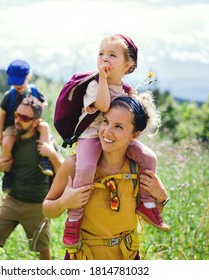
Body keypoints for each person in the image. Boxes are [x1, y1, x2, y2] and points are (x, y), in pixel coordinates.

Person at [60, 34, 169, 249]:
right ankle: (74, 219)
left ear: (128, 65)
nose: (104, 59)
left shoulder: (126, 90)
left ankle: (146, 203)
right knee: (87, 167)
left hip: (115, 140)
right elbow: (102, 105)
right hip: (91, 137)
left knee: (148, 157)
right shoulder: (94, 84)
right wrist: (101, 78)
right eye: (101, 54)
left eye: (112, 55)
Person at [43, 96, 170, 260]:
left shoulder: (138, 169)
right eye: (105, 121)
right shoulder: (75, 165)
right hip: (83, 258)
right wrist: (64, 202)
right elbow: (47, 209)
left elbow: (149, 214)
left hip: (127, 257)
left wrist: (162, 198)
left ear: (134, 135)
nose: (107, 131)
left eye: (118, 126)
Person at [0, 96, 64, 260]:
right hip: (12, 200)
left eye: (24, 118)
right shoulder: (11, 139)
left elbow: (63, 170)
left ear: (35, 122)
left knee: (43, 250)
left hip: (38, 205)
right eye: (17, 115)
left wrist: (51, 154)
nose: (18, 121)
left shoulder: (45, 141)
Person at [0, 59, 54, 191]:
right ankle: (8, 172)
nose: (17, 85)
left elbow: (43, 103)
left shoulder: (33, 91)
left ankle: (45, 160)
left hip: (31, 121)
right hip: (14, 124)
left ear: (27, 77)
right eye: (14, 82)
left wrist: (36, 109)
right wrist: (0, 132)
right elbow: (2, 114)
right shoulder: (9, 95)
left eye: (20, 81)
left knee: (45, 127)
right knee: (7, 143)